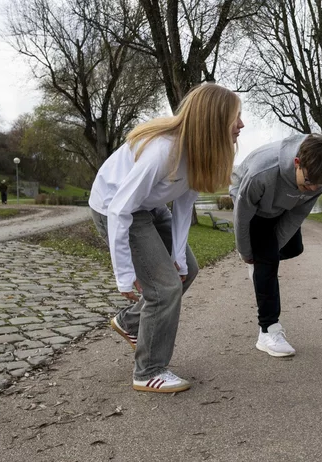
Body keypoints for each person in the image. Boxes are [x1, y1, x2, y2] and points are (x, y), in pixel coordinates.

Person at [89, 83, 243, 392]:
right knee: (164, 288)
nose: (241, 125)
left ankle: (131, 322)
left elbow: (184, 206)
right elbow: (120, 209)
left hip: (149, 207)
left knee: (188, 270)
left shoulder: (200, 154)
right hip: (115, 209)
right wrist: (124, 274)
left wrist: (178, 256)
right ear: (213, 121)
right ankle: (148, 371)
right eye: (235, 117)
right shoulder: (162, 151)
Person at [230, 134, 322, 357]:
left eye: (319, 185)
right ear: (297, 163)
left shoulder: (320, 176)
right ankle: (268, 331)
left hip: (283, 207)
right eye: (309, 182)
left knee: (291, 248)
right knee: (267, 259)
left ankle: (263, 263)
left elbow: (297, 215)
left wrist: (267, 252)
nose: (313, 189)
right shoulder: (261, 172)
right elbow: (241, 216)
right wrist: (246, 252)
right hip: (252, 206)